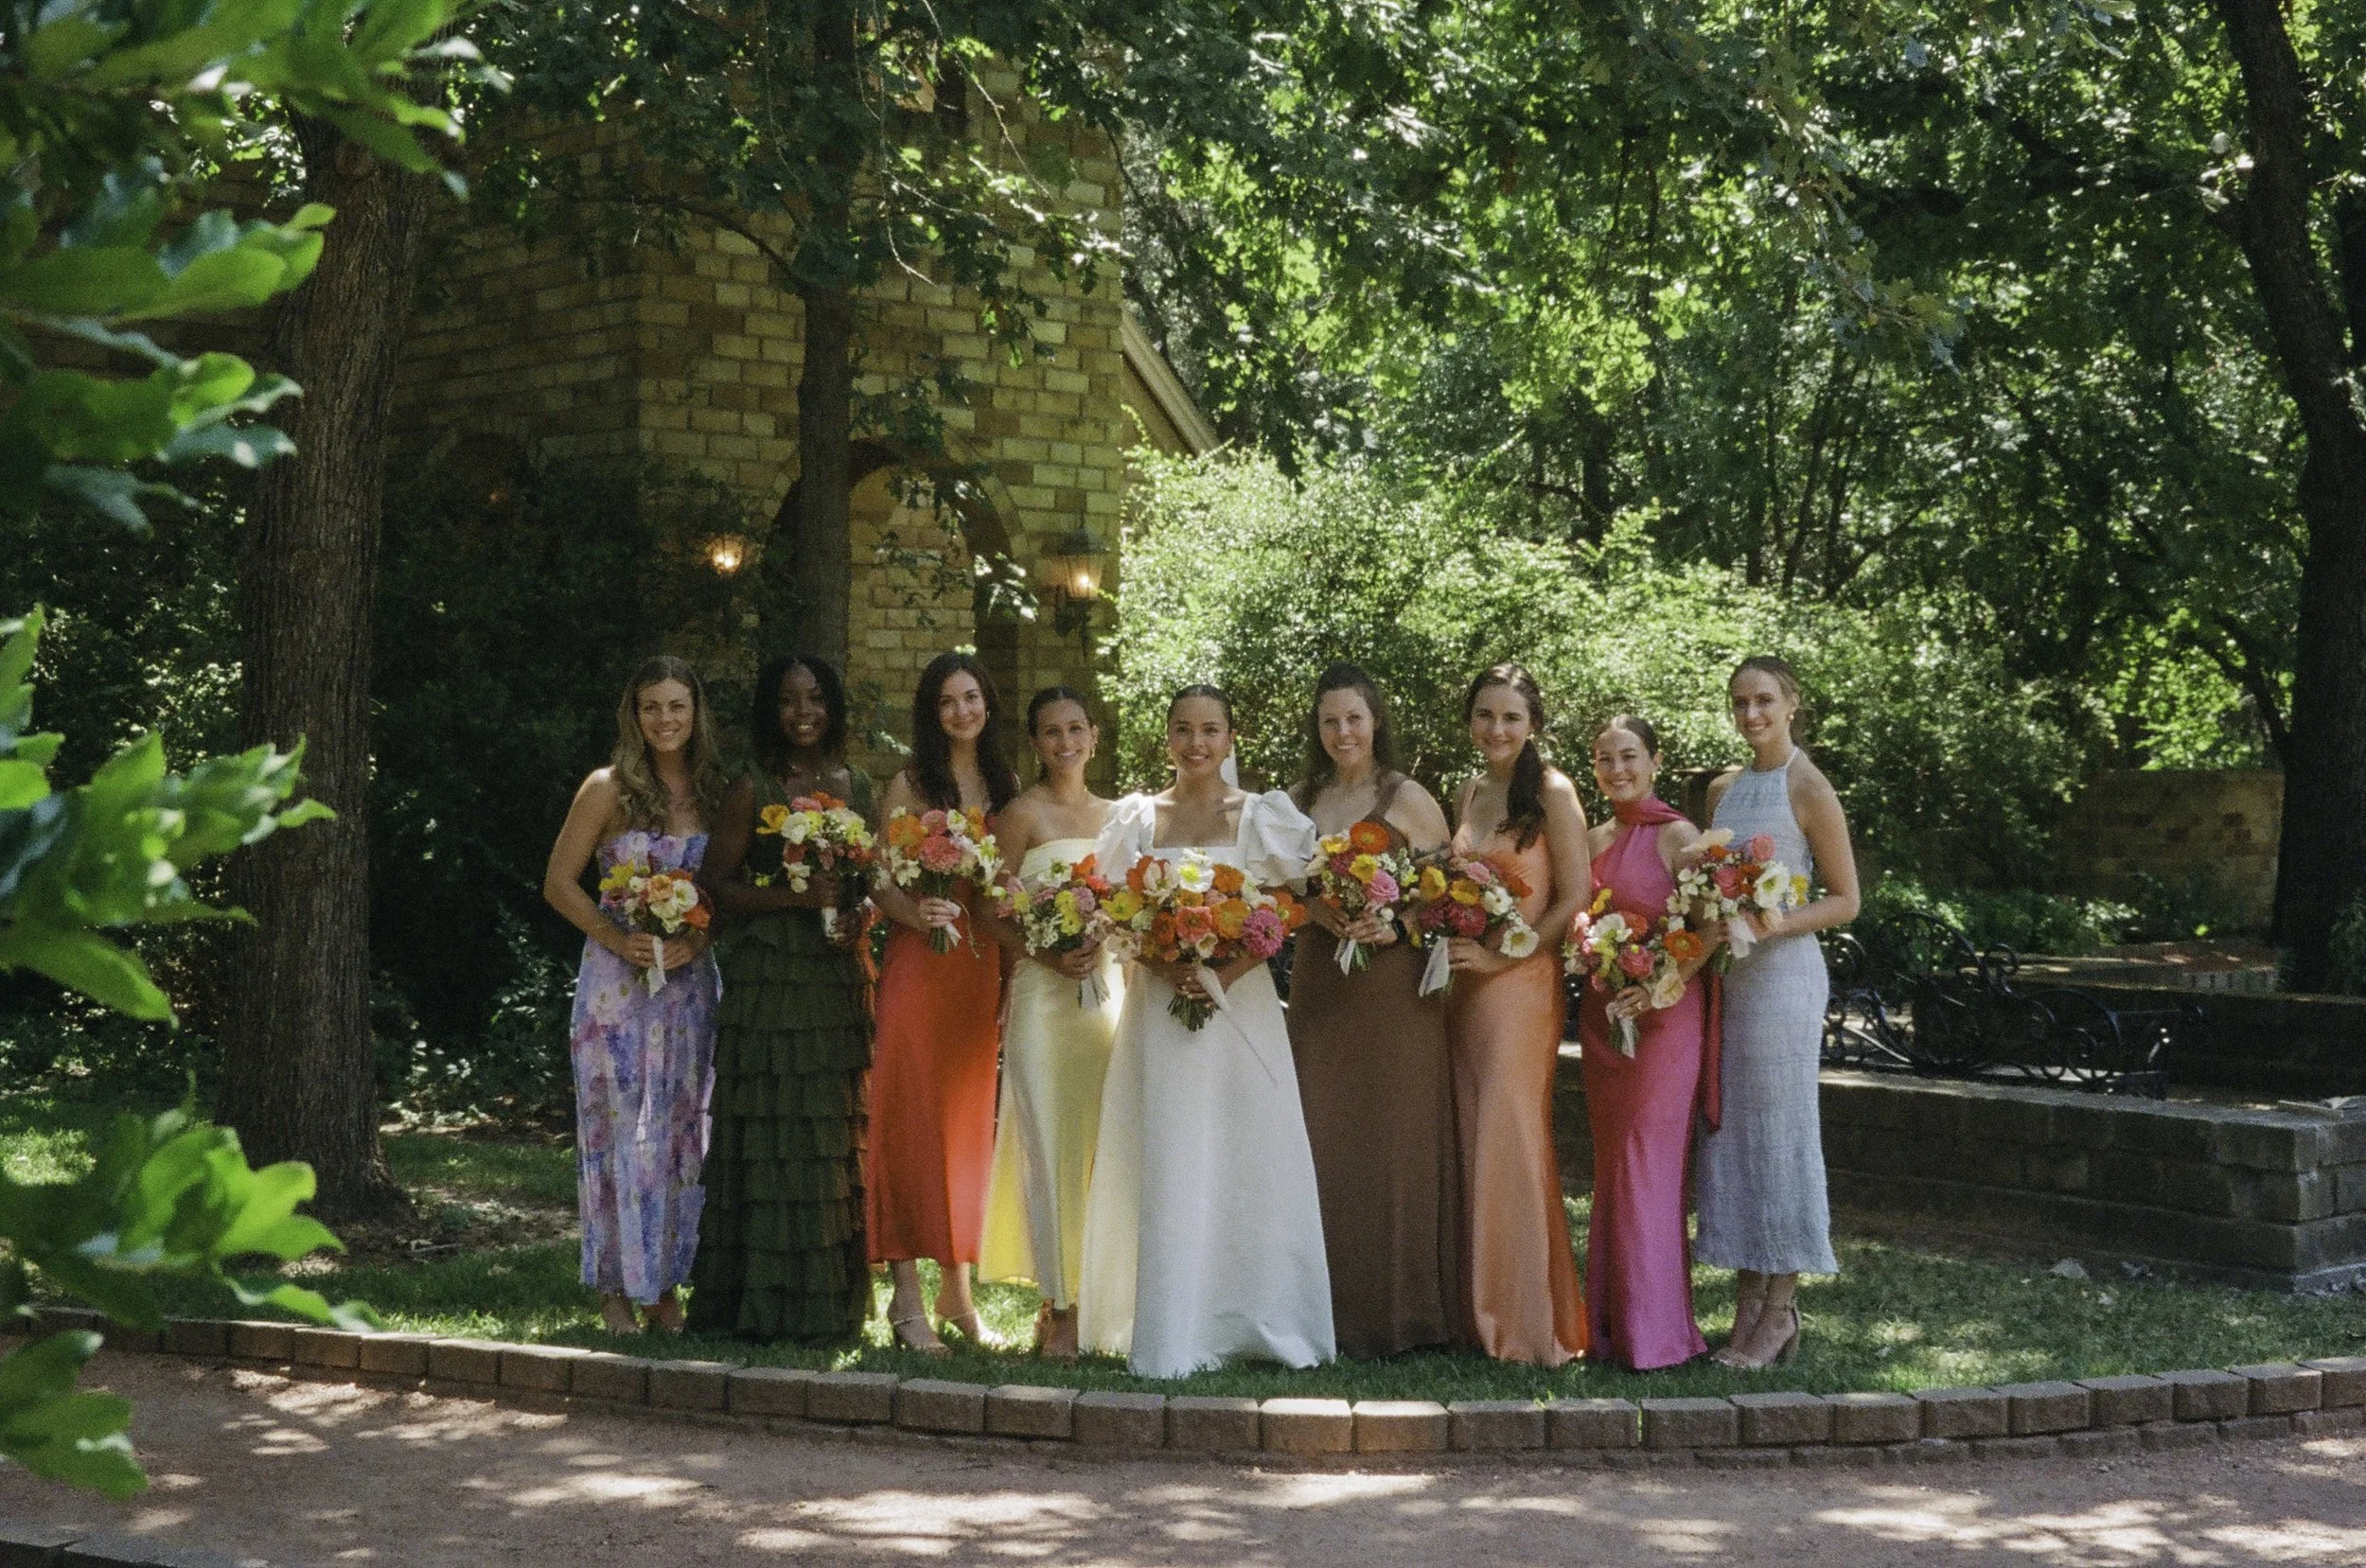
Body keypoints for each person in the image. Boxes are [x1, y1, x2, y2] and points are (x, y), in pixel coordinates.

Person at [1077, 685, 1335, 1377]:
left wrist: (1228, 964)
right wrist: (1168, 965)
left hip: (1240, 1004)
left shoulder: (1261, 815)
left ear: (1231, 737)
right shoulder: (1137, 815)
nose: (1197, 743)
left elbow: (1292, 902)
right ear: (1167, 737)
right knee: (1170, 1147)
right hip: (1160, 1007)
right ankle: (1169, 1322)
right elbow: (1114, 910)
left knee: (1245, 1151)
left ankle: (1257, 1313)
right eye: (1184, 730)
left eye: (1211, 730)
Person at [686, 656, 874, 1343]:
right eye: (790, 699)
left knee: (826, 1140)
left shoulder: (856, 785)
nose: (805, 710)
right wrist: (795, 898)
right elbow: (715, 886)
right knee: (766, 1138)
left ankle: (825, 1310)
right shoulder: (752, 787)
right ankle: (753, 1308)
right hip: (770, 983)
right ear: (770, 708)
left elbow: (868, 883)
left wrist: (857, 916)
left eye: (817, 697)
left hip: (835, 981)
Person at [541, 655, 724, 1336]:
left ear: (696, 712)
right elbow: (559, 882)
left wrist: (698, 942)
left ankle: (666, 1285)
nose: (666, 719)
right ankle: (616, 1286)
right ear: (634, 714)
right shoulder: (607, 787)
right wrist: (616, 939)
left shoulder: (713, 790)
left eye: (678, 705)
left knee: (681, 1129)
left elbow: (725, 893)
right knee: (619, 1128)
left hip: (688, 985)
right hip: (617, 990)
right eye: (652, 707)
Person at [1284, 663, 1463, 1358]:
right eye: (1330, 720)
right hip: (1321, 988)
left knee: (1393, 1144)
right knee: (1320, 1138)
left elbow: (1450, 895)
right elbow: (1278, 893)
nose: (1342, 732)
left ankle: (1401, 1314)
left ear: (1376, 721)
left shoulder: (1408, 797)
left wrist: (1400, 924)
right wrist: (1319, 911)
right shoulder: (1297, 800)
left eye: (1354, 718)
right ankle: (1322, 1310)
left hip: (1393, 990)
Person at [1693, 655, 1861, 1369]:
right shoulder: (1726, 790)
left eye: (1763, 700)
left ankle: (1781, 1307)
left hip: (1784, 976)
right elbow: (1708, 878)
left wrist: (1770, 920)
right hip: (1731, 977)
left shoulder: (1809, 786)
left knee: (1781, 1131)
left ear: (1792, 703)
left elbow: (1846, 899)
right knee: (1734, 1133)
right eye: (1739, 702)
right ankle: (1746, 1301)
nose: (1750, 713)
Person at [867, 652, 1020, 1352]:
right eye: (948, 702)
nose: (963, 711)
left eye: (972, 697)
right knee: (907, 1115)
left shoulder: (1005, 783)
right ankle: (904, 1299)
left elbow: (1009, 884)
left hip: (978, 965)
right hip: (918, 963)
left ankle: (958, 1293)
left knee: (964, 1123)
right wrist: (913, 913)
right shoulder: (911, 782)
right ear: (933, 714)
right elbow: (876, 875)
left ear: (987, 702)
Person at [1444, 664, 1592, 1365]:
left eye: (1509, 717)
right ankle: (1474, 1313)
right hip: (1462, 988)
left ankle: (1530, 1324)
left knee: (1511, 1136)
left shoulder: (1554, 791)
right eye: (1483, 715)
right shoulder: (1468, 790)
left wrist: (1507, 955)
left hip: (1522, 986)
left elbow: (1575, 898)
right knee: (1472, 1137)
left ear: (1532, 722)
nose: (1495, 729)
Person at [978, 687, 1121, 1360]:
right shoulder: (1020, 814)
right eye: (1050, 733)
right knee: (1047, 1144)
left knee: (1100, 1144)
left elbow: (1135, 903)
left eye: (1075, 729)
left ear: (1094, 735)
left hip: (1105, 994)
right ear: (1034, 743)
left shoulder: (1121, 815)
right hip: (1041, 996)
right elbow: (988, 911)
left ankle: (1098, 1297)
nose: (1065, 743)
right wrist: (1045, 950)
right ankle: (1057, 1305)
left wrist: (1103, 936)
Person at [1577, 714, 1712, 1368]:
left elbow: (1708, 931)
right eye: (1604, 758)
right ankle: (1608, 1327)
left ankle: (1653, 1334)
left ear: (1654, 761)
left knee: (1646, 1165)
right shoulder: (1592, 836)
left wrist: (1660, 983)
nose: (1617, 769)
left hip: (1664, 1022)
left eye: (1628, 756)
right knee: (1613, 1166)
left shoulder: (1679, 835)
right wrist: (1591, 957)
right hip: (1606, 1017)